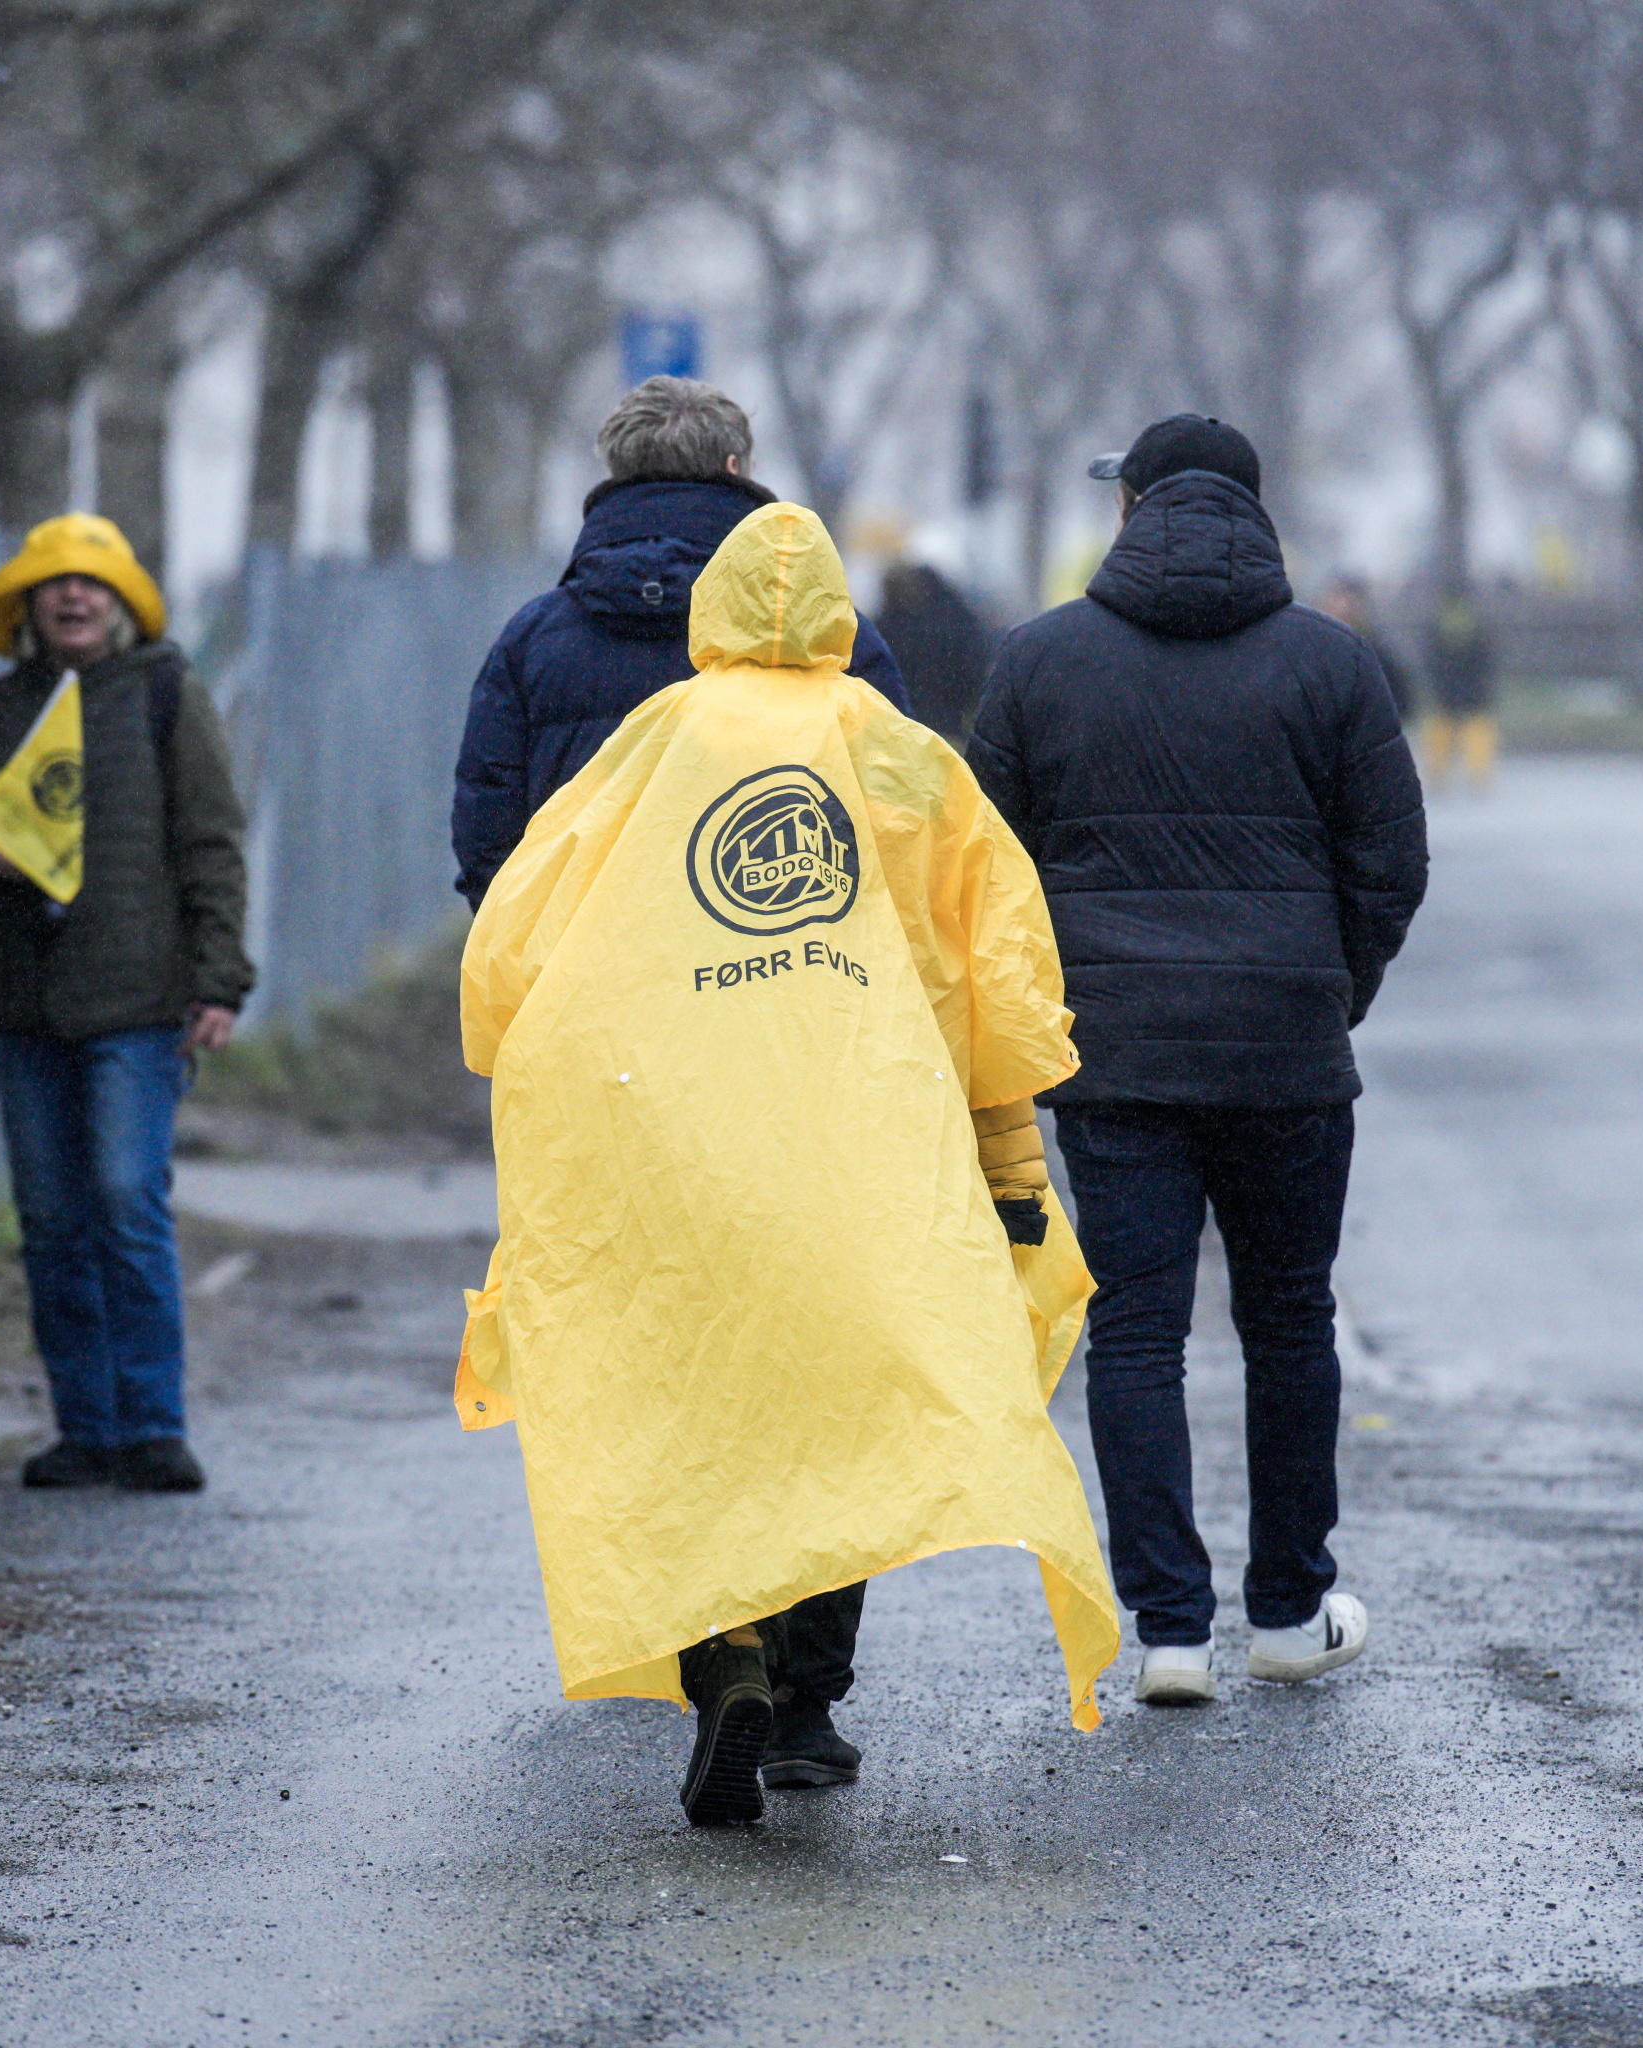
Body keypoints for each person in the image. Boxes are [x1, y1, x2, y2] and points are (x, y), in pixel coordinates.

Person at [457, 501, 1120, 1825]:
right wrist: (1012, 1173)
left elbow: (516, 947)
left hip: (682, 1141)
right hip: (870, 1145)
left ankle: (732, 1663)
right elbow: (1001, 982)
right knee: (840, 1414)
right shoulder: (904, 758)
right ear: (837, 616)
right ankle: (809, 1707)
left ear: (709, 613)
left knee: (706, 1406)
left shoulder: (653, 749)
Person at [969, 414, 1428, 1706]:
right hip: (1287, 1051)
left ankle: (1168, 1632)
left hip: (1114, 1062)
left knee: (1137, 1333)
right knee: (1290, 1322)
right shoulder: (1331, 666)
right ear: (1254, 512)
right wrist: (1330, 991)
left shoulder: (1038, 663)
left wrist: (1052, 1011)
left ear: (1134, 512)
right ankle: (1287, 1611)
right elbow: (1392, 863)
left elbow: (980, 868)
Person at [0, 515, 254, 1494]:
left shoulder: (167, 694)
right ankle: (86, 1427)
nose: (74, 598)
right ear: (27, 604)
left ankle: (155, 1426)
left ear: (123, 603)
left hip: (140, 1004)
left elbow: (212, 841)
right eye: (55, 584)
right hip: (25, 1008)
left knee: (124, 1199)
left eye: (94, 584)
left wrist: (217, 979)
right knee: (50, 1218)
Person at [450, 377, 911, 908]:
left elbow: (487, 837)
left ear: (618, 473)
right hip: (778, 970)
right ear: (735, 469)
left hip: (586, 977)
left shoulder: (533, 640)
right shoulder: (826, 631)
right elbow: (896, 811)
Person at [875, 561, 994, 745]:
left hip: (900, 734)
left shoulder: (887, 626)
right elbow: (976, 674)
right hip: (949, 729)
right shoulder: (957, 620)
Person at [1319, 575, 1419, 726]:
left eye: (1350, 600)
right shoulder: (1310, 647)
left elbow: (1400, 701)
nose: (1343, 605)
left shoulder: (1375, 651)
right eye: (1337, 597)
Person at [1422, 590, 1498, 788]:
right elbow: (1486, 659)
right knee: (1474, 726)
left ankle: (1439, 772)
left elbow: (1432, 659)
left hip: (1448, 685)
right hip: (1471, 686)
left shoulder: (1438, 624)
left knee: (1445, 726)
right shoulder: (1477, 625)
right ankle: (1477, 773)